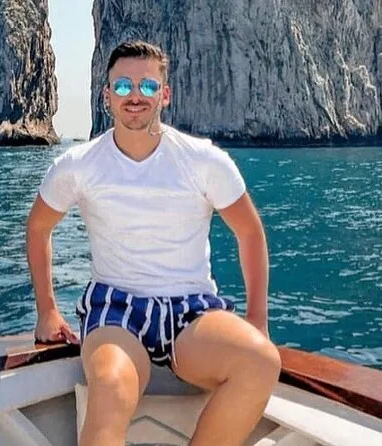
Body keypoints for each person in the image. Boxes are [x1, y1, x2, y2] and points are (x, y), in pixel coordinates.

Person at [25, 40, 281, 446]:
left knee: (260, 361)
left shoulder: (203, 160)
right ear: (107, 95)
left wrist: (258, 320)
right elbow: (39, 227)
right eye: (122, 86)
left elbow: (249, 232)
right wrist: (47, 311)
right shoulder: (78, 165)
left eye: (147, 86)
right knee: (111, 386)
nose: (135, 96)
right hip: (115, 309)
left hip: (192, 312)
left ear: (165, 94)